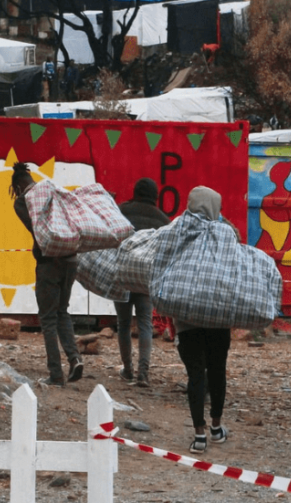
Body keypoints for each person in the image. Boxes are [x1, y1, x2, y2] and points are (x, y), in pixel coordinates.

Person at [10, 162, 84, 387]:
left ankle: (56, 374)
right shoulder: (52, 190)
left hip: (49, 262)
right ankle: (75, 358)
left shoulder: (23, 201)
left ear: (19, 185)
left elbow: (36, 228)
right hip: (71, 259)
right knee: (62, 311)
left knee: (48, 318)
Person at [175, 187, 234, 454]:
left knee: (195, 374)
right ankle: (217, 427)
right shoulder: (227, 231)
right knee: (217, 371)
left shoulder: (178, 229)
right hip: (218, 317)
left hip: (186, 317)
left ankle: (199, 435)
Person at [115, 178, 170, 388]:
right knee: (145, 323)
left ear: (135, 192)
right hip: (146, 278)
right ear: (155, 196)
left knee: (123, 324)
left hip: (121, 276)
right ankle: (143, 373)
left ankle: (128, 370)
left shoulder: (122, 210)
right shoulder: (163, 219)